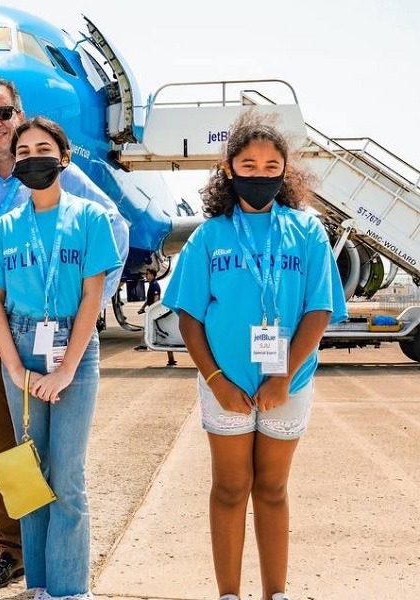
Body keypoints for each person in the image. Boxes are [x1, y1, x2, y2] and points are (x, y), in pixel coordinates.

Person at [0, 74, 129, 590]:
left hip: (62, 324)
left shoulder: (65, 181)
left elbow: (115, 228)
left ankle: (60, 576)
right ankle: (13, 551)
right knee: (5, 447)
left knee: (63, 466)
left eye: (3, 113)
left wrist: (85, 303)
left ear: (19, 114)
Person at [161, 113, 347, 600]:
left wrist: (283, 375)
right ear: (229, 169)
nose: (260, 173)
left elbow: (320, 309)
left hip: (289, 383)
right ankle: (228, 593)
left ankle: (276, 593)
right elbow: (189, 318)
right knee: (229, 487)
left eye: (271, 165)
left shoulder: (307, 231)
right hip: (226, 383)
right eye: (249, 163)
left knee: (272, 488)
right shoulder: (209, 236)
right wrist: (217, 379)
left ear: (285, 171)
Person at [134, 268, 177, 366]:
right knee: (156, 331)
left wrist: (153, 312)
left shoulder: (154, 285)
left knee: (163, 334)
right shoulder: (151, 285)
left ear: (152, 275)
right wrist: (143, 308)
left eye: (148, 274)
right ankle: (170, 359)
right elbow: (148, 299)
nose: (146, 276)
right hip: (151, 310)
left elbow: (156, 299)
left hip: (154, 312)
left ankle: (144, 345)